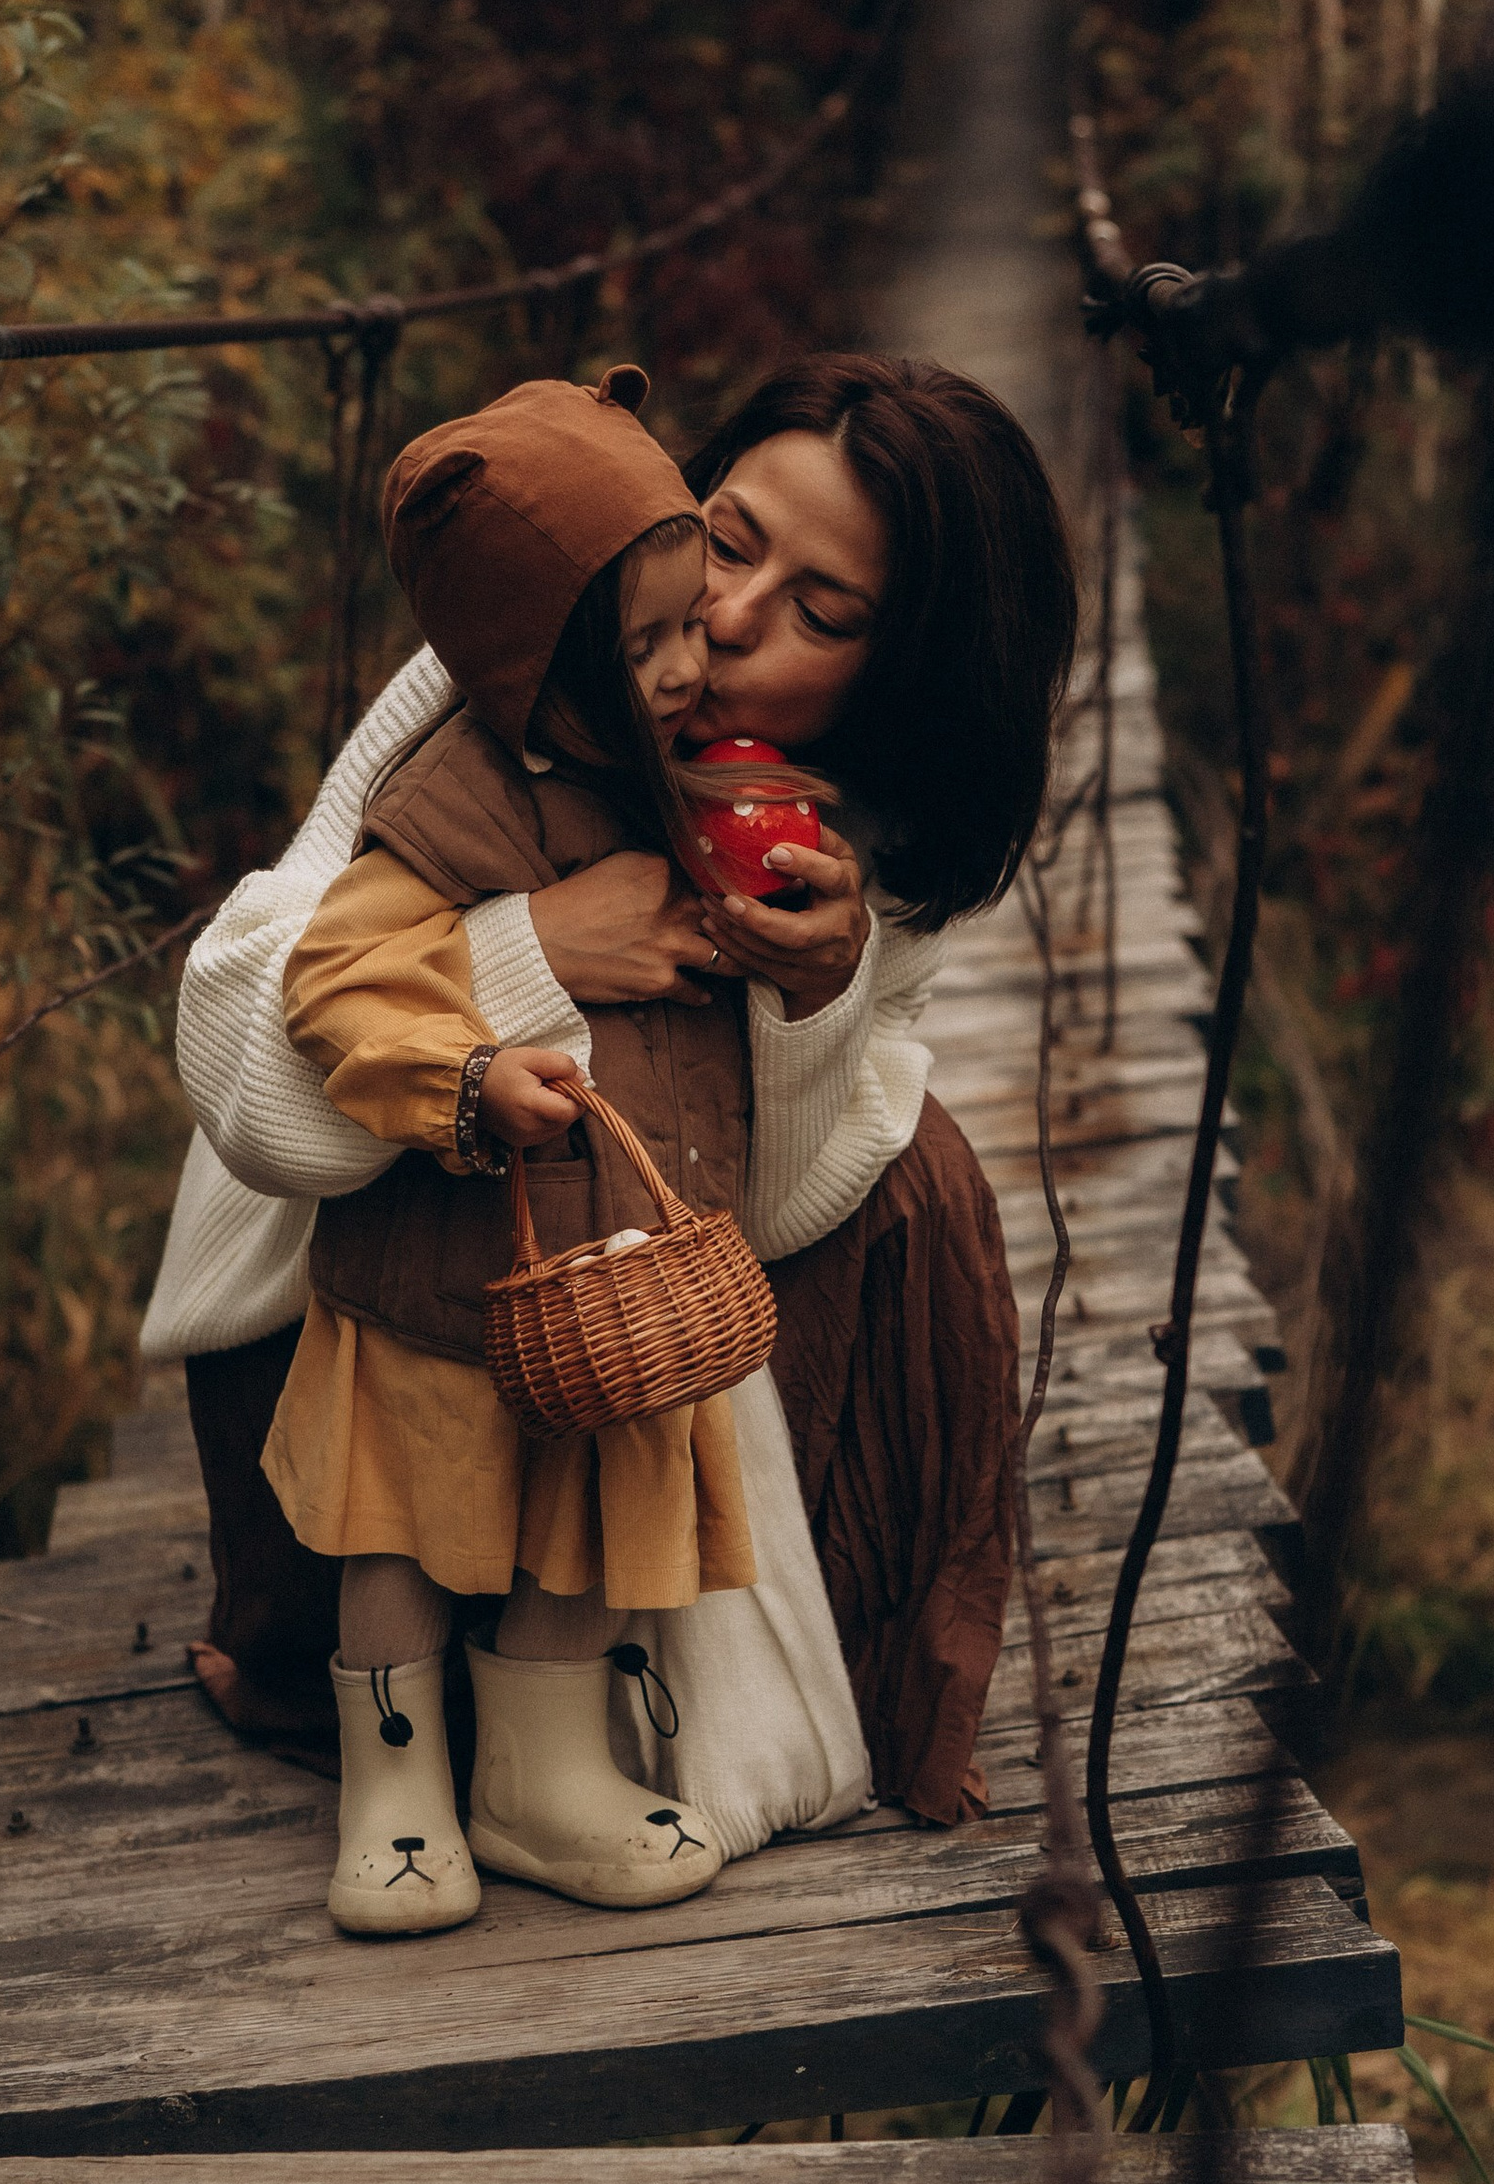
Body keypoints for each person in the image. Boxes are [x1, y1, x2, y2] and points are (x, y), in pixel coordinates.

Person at [142, 352, 1078, 1835]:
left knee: (920, 1174)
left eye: (822, 614)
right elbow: (243, 1079)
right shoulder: (524, 656)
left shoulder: (857, 835)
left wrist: (814, 995)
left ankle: (597, 1715)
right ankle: (419, 1707)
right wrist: (526, 955)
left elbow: (757, 1220)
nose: (727, 615)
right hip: (355, 1317)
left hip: (619, 1327)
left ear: (900, 675)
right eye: (726, 534)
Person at [266, 367, 758, 1936]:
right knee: (399, 1524)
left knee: (589, 1529)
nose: (694, 665)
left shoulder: (671, 774)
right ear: (528, 666)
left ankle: (541, 1780)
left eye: (697, 624)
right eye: (646, 645)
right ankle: (395, 1794)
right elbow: (338, 979)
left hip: (618, 1275)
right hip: (448, 1272)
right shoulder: (454, 803)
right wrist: (464, 1077)